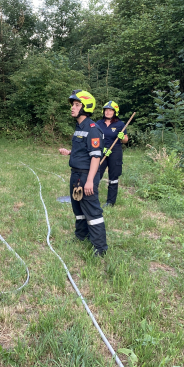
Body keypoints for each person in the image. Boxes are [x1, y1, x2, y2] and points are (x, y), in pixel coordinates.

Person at [59, 90, 108, 256]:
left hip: (87, 176)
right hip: (76, 174)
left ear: (86, 107)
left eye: (77, 104)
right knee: (78, 208)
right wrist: (70, 152)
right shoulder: (79, 127)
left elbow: (95, 157)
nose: (73, 108)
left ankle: (100, 248)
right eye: (73, 104)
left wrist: (90, 181)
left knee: (92, 212)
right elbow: (83, 150)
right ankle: (81, 237)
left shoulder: (93, 129)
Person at [96, 101, 128, 207]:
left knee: (113, 178)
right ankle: (91, 198)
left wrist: (122, 137)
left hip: (115, 152)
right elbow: (94, 139)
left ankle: (110, 202)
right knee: (96, 174)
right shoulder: (98, 123)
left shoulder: (120, 124)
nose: (108, 112)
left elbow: (126, 140)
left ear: (115, 112)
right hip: (102, 151)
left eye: (110, 110)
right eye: (106, 110)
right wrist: (102, 149)